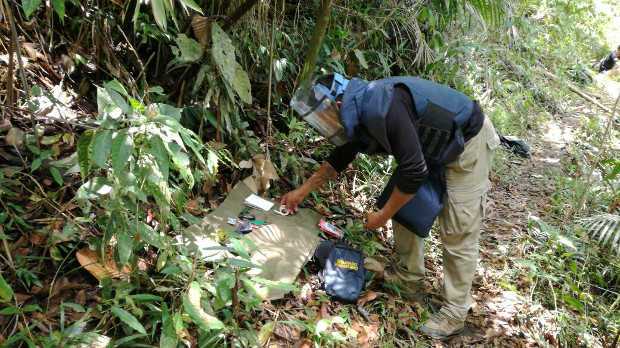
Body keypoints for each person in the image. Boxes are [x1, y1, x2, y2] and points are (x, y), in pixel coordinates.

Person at [282, 73, 500, 339]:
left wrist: (382, 216)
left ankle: (455, 312)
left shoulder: (382, 106)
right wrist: (301, 192)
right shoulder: (358, 108)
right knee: (404, 206)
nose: (326, 124)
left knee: (458, 230)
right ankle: (409, 280)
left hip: (468, 142)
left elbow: (414, 171)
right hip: (429, 147)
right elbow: (341, 156)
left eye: (325, 115)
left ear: (338, 104)